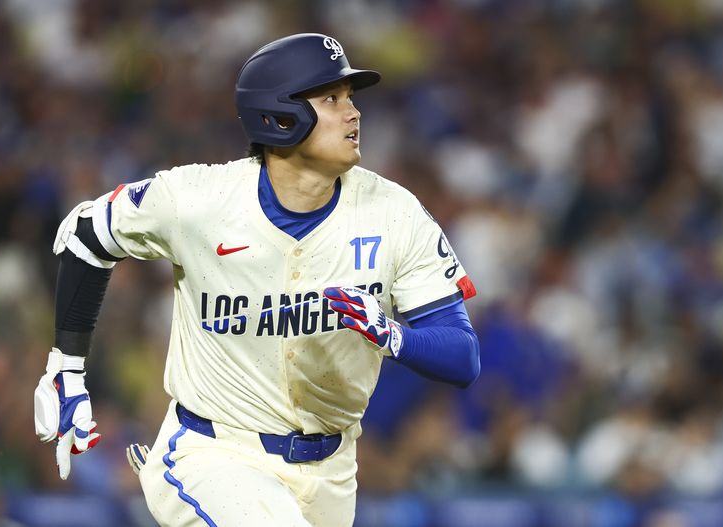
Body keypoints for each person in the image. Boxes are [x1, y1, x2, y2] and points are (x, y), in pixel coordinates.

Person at [33, 33, 480, 527]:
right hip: (215, 453)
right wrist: (65, 366)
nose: (353, 114)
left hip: (332, 471)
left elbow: (462, 356)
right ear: (280, 114)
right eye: (331, 98)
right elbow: (84, 233)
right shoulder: (200, 198)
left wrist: (394, 336)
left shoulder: (395, 213)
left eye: (351, 99)